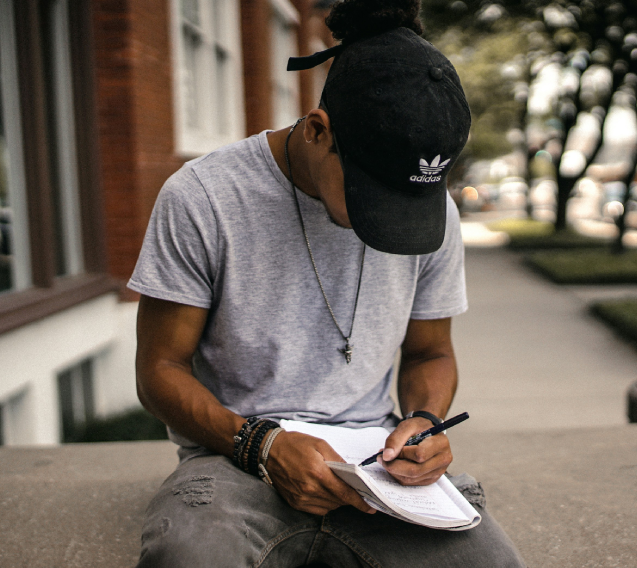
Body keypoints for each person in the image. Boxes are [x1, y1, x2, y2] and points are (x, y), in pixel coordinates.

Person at [129, 1, 526, 566]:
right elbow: (159, 371)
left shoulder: (436, 212)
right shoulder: (204, 197)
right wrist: (261, 444)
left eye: (410, 199)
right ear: (319, 131)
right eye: (374, 196)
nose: (393, 218)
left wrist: (423, 422)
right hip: (234, 455)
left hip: (376, 466)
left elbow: (431, 352)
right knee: (191, 557)